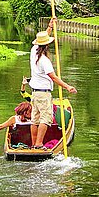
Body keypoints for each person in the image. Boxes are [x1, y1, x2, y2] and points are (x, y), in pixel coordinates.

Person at [29, 17, 77, 149]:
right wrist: (68, 87)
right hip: (43, 94)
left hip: (34, 93)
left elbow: (42, 39)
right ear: (47, 45)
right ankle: (38, 144)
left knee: (35, 119)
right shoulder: (44, 61)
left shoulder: (33, 52)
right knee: (46, 119)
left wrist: (50, 27)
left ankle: (34, 144)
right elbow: (54, 78)